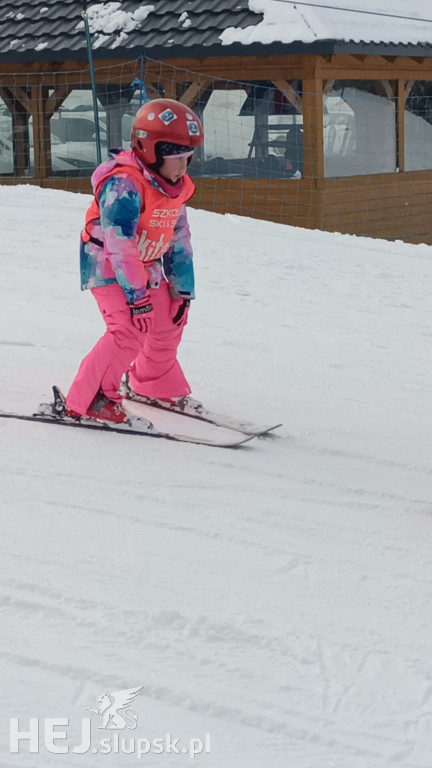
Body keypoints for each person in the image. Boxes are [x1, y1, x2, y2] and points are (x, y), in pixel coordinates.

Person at [64, 98, 204, 424]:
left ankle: (153, 384)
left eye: (187, 158)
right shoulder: (123, 185)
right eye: (175, 159)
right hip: (109, 264)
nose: (182, 167)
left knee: (169, 316)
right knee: (128, 329)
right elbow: (120, 244)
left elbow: (179, 238)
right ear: (150, 150)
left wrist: (182, 290)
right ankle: (91, 399)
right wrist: (138, 299)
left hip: (144, 263)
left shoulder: (173, 188)